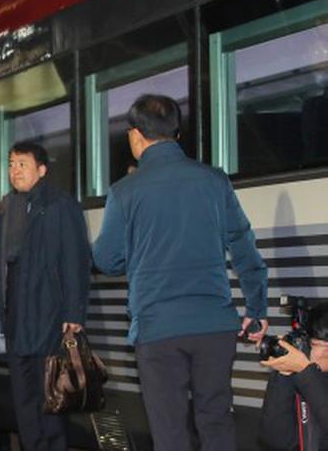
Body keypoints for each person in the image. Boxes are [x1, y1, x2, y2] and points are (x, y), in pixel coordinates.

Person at [92, 94, 269, 451]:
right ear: (176, 133)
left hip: (158, 329)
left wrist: (140, 253)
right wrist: (257, 309)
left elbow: (107, 261)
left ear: (136, 134)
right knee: (216, 420)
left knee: (170, 430)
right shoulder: (214, 180)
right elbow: (243, 247)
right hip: (214, 326)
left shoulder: (125, 191)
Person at [0, 142, 91, 451]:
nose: (15, 170)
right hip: (14, 317)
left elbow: (75, 261)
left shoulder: (58, 205)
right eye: (11, 164)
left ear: (41, 170)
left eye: (22, 164)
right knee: (24, 400)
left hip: (48, 317)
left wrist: (74, 313)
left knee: (50, 396)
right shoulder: (6, 208)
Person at [259, 302, 328, 450]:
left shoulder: (309, 378)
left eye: (313, 344)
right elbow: (276, 440)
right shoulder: (309, 377)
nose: (307, 349)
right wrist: (283, 374)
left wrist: (307, 373)